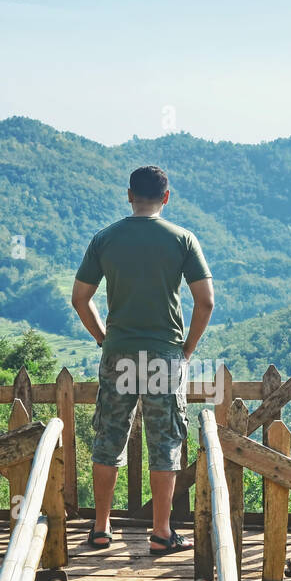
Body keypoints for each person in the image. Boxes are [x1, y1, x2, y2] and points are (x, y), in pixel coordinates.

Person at [71, 165, 214, 554]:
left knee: (109, 439)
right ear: (166, 197)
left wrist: (103, 337)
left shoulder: (105, 239)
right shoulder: (183, 240)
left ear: (129, 194)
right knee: (165, 441)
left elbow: (80, 299)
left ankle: (101, 530)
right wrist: (187, 349)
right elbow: (206, 301)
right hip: (165, 356)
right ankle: (161, 533)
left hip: (118, 351)